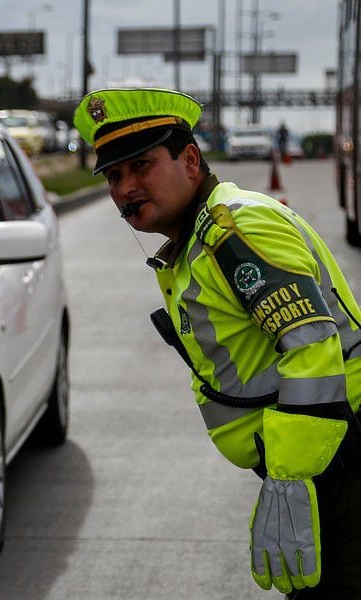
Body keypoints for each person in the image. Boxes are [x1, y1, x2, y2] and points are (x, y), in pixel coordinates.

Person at [73, 88, 361, 598]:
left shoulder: (236, 229)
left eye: (141, 165)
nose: (125, 188)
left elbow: (311, 347)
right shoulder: (201, 237)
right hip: (322, 455)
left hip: (336, 456)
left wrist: (291, 478)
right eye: (114, 175)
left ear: (189, 160)